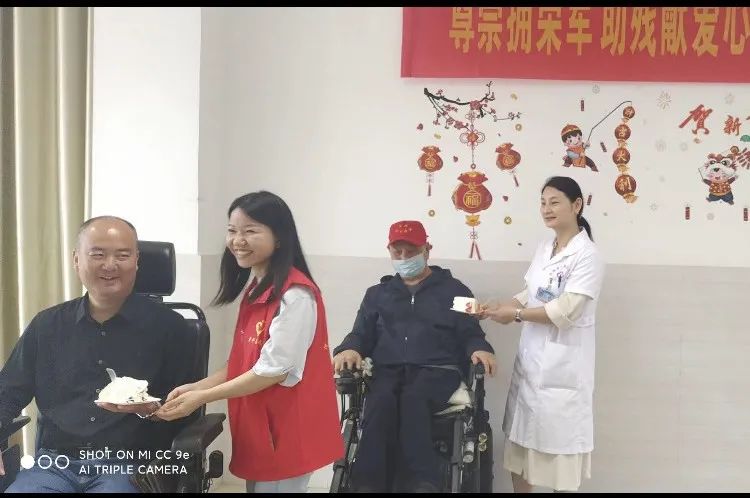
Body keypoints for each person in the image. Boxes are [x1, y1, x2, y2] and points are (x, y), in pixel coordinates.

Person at [157, 191, 343, 493]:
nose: (238, 240)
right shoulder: (257, 288)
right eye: (232, 230)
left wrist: (203, 398)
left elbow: (273, 371)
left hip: (287, 430)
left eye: (250, 231)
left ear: (279, 237)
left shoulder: (295, 295)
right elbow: (243, 363)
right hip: (260, 426)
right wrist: (197, 387)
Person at [0, 216, 197, 493]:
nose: (110, 265)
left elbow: (186, 407)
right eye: (98, 254)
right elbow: (8, 391)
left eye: (122, 255)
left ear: (137, 261)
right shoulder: (47, 325)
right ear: (76, 260)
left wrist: (153, 410)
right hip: (54, 464)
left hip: (130, 465)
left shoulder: (172, 328)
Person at [332, 220, 497, 493]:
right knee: (379, 402)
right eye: (397, 252)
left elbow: (471, 332)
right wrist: (350, 349)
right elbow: (360, 334)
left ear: (427, 250)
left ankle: (422, 483)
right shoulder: (377, 294)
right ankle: (366, 485)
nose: (404, 257)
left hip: (438, 371)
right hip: (387, 371)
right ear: (389, 251)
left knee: (413, 399)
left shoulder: (456, 291)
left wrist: (480, 348)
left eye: (411, 251)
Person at [479, 176, 605, 492]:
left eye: (555, 202)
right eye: (543, 203)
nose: (547, 209)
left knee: (560, 459)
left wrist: (515, 315)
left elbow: (566, 310)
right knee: (520, 453)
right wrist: (499, 308)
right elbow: (531, 294)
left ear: (576, 205)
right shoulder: (545, 248)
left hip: (562, 371)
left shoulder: (587, 255)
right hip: (531, 364)